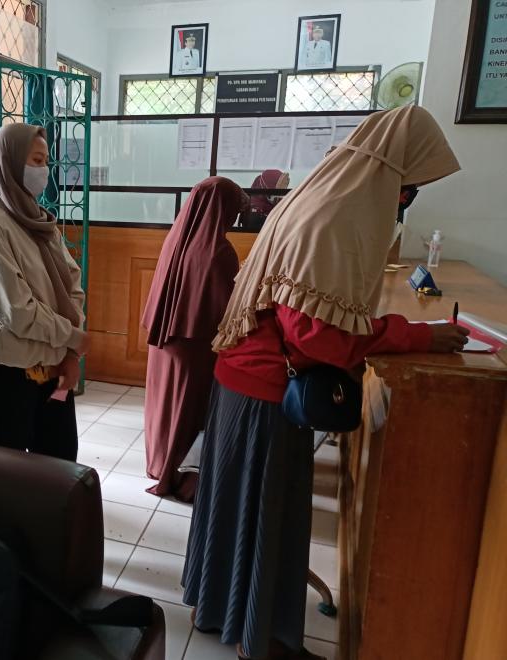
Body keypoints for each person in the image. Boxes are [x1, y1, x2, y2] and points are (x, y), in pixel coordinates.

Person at [182, 105, 469, 660]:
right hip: (267, 395)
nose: (407, 197)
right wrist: (414, 335)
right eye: (409, 184)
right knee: (267, 515)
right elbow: (317, 337)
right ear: (388, 171)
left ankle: (215, 609)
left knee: (232, 507)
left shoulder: (320, 197)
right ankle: (262, 641)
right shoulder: (336, 219)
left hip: (242, 383)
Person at [0, 123, 89, 460]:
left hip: (53, 363)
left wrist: (70, 353)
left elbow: (72, 286)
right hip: (9, 371)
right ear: (9, 163)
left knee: (60, 464)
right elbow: (16, 311)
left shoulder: (39, 221)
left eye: (45, 161)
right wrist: (72, 337)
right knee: (10, 475)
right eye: (35, 160)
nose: (43, 170)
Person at [141, 177, 243, 502]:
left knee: (163, 406)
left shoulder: (177, 238)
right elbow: (228, 309)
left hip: (165, 340)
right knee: (187, 411)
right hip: (195, 345)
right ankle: (177, 473)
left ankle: (159, 464)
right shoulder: (219, 251)